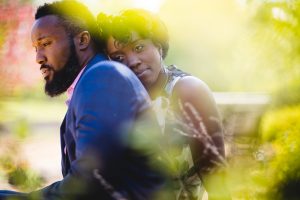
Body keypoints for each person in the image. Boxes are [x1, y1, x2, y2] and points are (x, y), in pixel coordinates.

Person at [0, 1, 166, 200]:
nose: (38, 57)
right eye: (36, 48)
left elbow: (90, 182)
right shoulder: (92, 81)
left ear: (82, 40)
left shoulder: (105, 76)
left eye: (45, 44)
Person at [98, 9, 231, 200]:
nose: (132, 62)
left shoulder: (187, 91)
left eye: (139, 48)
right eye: (119, 57)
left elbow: (218, 180)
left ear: (158, 45)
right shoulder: (122, 100)